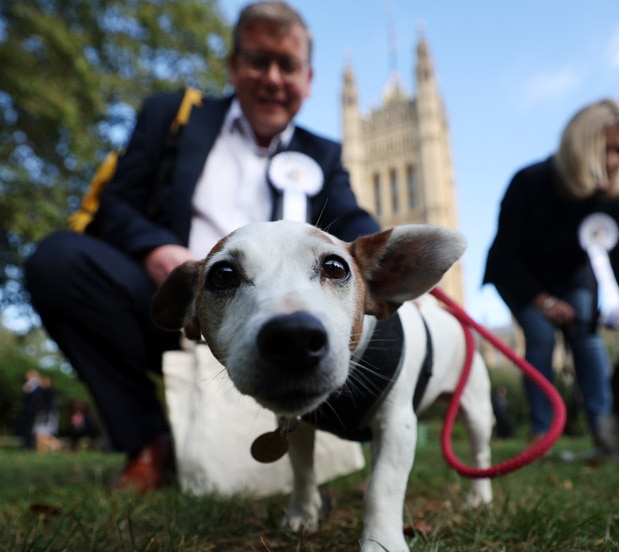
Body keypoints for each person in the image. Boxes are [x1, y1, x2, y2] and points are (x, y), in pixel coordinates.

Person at [25, 1, 379, 492]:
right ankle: (148, 441)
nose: (273, 78)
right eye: (258, 61)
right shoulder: (172, 116)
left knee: (373, 315)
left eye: (288, 66)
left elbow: (357, 227)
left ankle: (349, 439)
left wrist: (397, 251)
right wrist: (156, 250)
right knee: (57, 263)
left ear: (309, 79)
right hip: (174, 299)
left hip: (289, 320)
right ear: (233, 66)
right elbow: (116, 205)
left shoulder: (323, 155)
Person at [483, 98, 619, 451]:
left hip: (573, 278)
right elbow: (506, 255)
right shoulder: (529, 182)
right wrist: (541, 301)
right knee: (541, 337)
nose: (612, 161)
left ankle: (605, 429)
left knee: (586, 338)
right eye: (604, 150)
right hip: (520, 276)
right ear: (580, 147)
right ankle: (541, 433)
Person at [15, 369, 42, 449]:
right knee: (27, 428)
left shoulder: (35, 385)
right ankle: (27, 444)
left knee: (31, 428)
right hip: (28, 410)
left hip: (32, 411)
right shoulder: (31, 385)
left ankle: (29, 445)